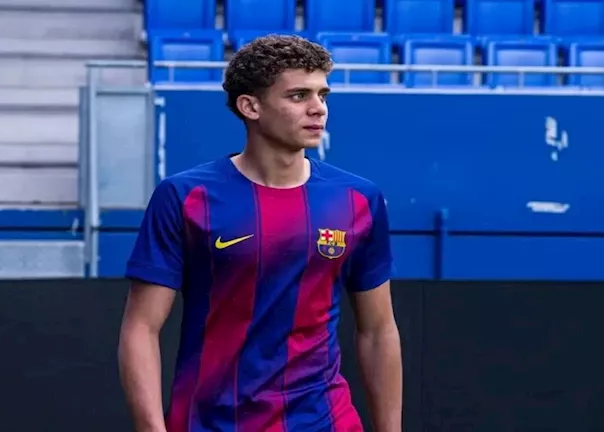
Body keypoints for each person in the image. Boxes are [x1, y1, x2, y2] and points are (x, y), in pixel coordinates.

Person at [118, 34, 402, 432]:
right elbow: (141, 328)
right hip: (209, 422)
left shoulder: (358, 199)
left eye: (323, 95)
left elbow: (378, 330)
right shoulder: (184, 197)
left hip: (323, 421)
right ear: (250, 106)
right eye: (299, 96)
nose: (318, 108)